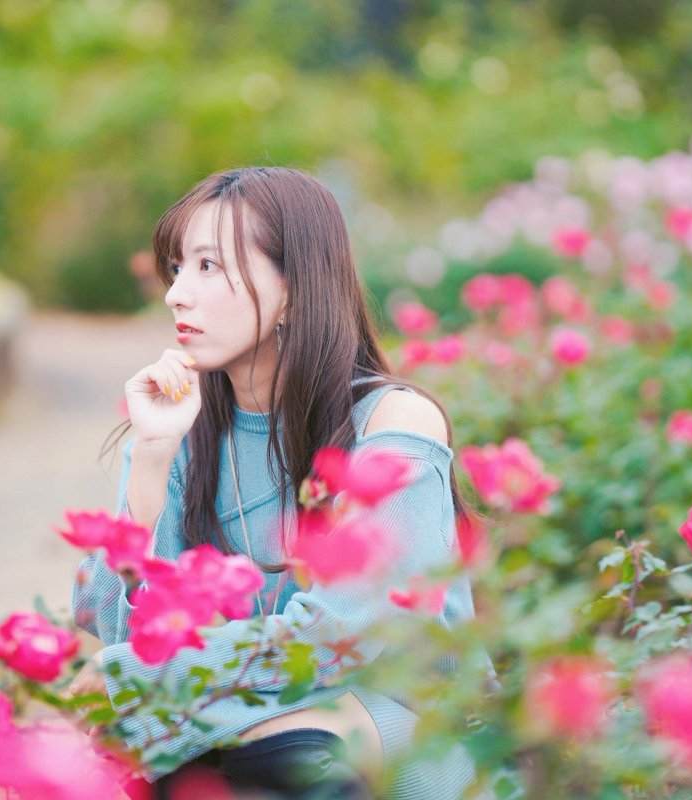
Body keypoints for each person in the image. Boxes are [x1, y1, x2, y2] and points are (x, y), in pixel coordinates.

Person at [68, 167, 480, 799]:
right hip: (244, 727)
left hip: (395, 721)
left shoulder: (392, 422)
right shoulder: (184, 434)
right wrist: (151, 458)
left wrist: (146, 680)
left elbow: (347, 633)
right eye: (178, 268)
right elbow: (116, 630)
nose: (178, 293)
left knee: (266, 761)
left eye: (208, 267)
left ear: (293, 288)